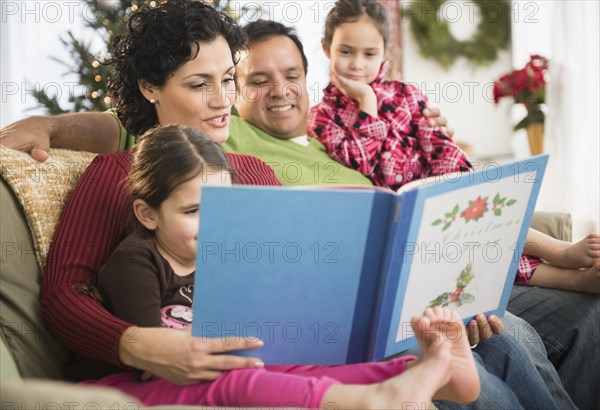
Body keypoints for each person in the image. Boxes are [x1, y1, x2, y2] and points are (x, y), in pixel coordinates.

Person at [0, 3, 590, 408]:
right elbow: (62, 297)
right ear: (152, 89)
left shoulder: (253, 169)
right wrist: (135, 341)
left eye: (228, 80)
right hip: (201, 362)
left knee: (491, 338)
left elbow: (296, 275)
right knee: (475, 362)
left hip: (312, 339)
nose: (222, 100)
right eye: (198, 84)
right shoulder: (118, 173)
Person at [86, 123, 481, 408]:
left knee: (300, 366)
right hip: (146, 386)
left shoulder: (230, 250)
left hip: (234, 364)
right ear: (148, 213)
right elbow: (156, 361)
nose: (211, 225)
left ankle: (435, 377)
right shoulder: (135, 262)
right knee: (241, 381)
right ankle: (375, 398)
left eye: (221, 208)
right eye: (192, 210)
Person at [307, 0, 600, 295]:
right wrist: (368, 105)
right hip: (402, 218)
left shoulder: (406, 94)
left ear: (386, 51)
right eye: (346, 51)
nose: (357, 63)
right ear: (326, 47)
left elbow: (436, 143)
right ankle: (571, 278)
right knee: (469, 244)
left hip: (441, 189)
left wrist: (460, 178)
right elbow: (369, 166)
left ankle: (561, 252)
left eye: (369, 53)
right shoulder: (321, 117)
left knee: (485, 214)